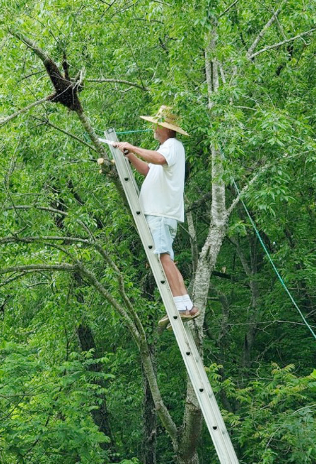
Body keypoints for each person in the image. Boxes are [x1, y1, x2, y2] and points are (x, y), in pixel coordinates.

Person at [115, 106, 199, 328]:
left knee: (163, 258)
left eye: (156, 124)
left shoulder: (172, 146)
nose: (153, 127)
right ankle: (185, 305)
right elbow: (148, 170)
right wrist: (130, 154)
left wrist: (132, 146)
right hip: (160, 214)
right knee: (165, 258)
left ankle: (183, 306)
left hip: (160, 214)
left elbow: (158, 159)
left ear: (164, 127)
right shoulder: (168, 149)